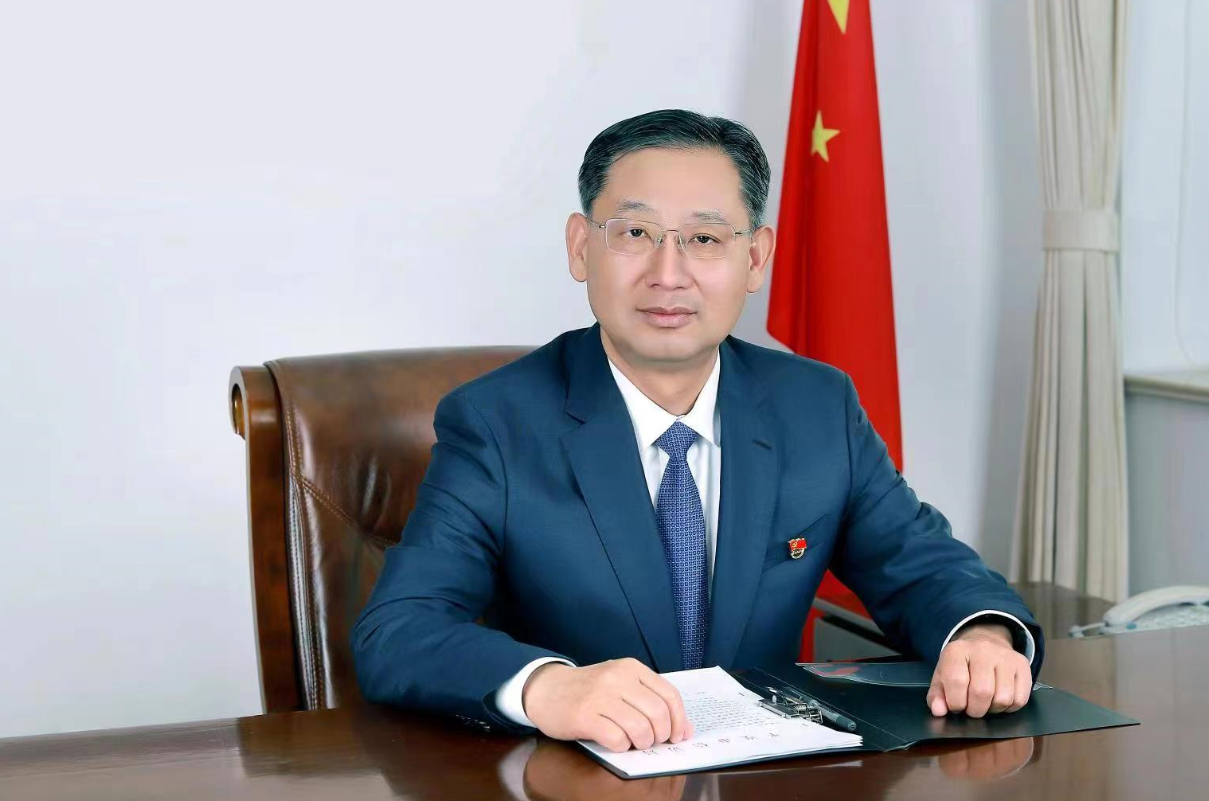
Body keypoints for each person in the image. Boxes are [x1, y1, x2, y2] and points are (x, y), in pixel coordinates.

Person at [352, 109, 1043, 754]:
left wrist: (982, 634)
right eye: (634, 234)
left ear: (755, 259)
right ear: (580, 247)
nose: (667, 274)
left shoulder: (815, 406)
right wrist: (546, 686)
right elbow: (400, 629)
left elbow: (919, 562)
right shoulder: (497, 422)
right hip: (577, 779)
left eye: (705, 239)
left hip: (767, 779)